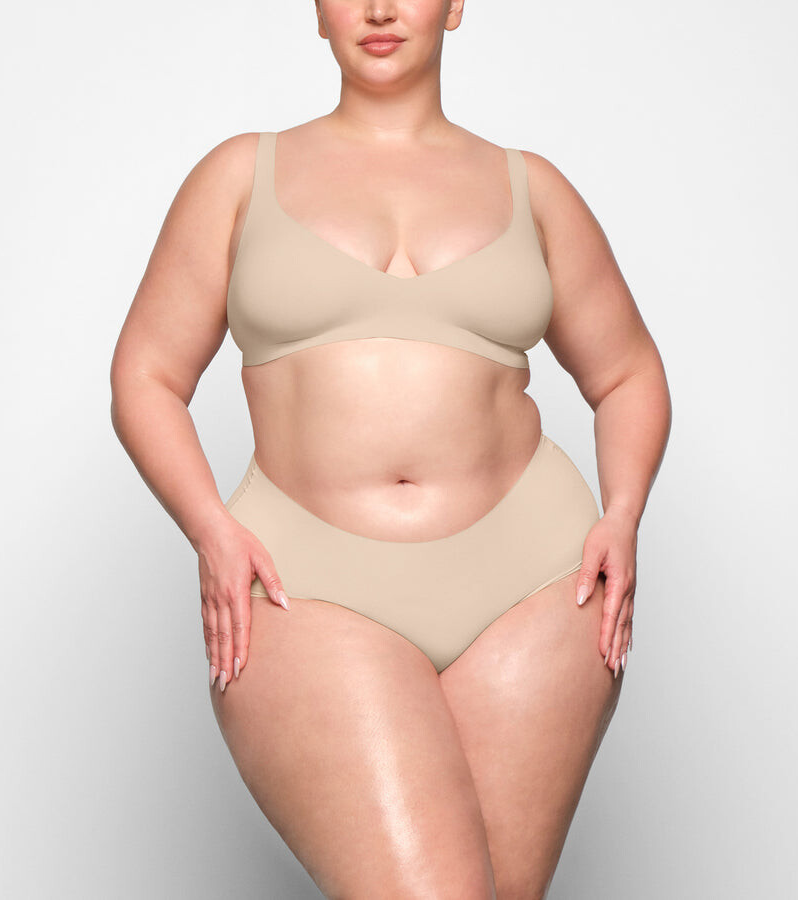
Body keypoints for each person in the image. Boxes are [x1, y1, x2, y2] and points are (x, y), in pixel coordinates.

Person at [110, 1, 671, 896]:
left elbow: (629, 373)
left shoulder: (534, 188)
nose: (378, 8)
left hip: (537, 583)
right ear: (317, 11)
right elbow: (145, 375)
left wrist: (624, 514)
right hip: (303, 583)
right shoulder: (240, 175)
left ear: (455, 6)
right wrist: (209, 527)